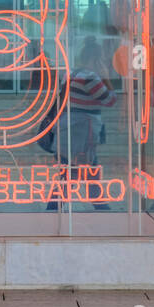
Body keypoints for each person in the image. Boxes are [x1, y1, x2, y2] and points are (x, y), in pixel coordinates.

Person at [45, 37, 116, 211]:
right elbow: (110, 100)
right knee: (84, 175)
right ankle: (102, 209)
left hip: (66, 133)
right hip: (82, 136)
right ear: (96, 59)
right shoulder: (91, 77)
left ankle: (54, 208)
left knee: (71, 176)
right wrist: (106, 76)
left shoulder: (72, 74)